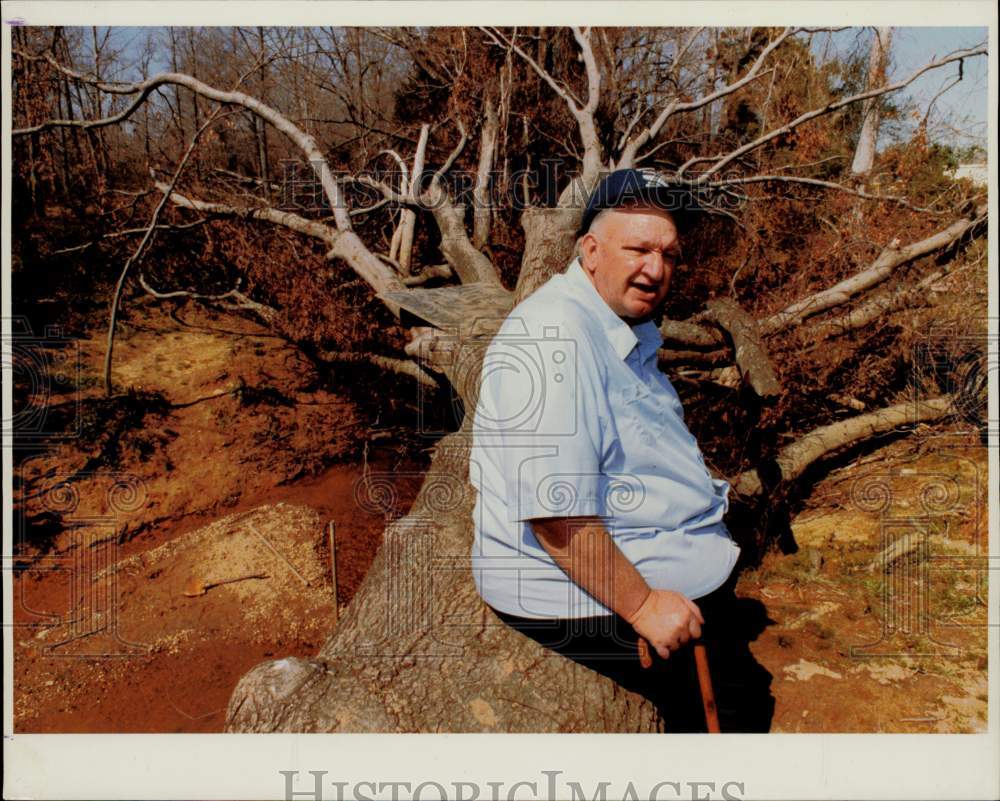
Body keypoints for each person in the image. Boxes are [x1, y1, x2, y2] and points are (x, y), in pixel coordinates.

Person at [469, 169, 765, 731]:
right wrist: (645, 608)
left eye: (670, 255)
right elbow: (556, 517)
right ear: (591, 249)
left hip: (636, 552)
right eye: (638, 249)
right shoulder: (555, 340)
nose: (656, 270)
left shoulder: (611, 318)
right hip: (579, 591)